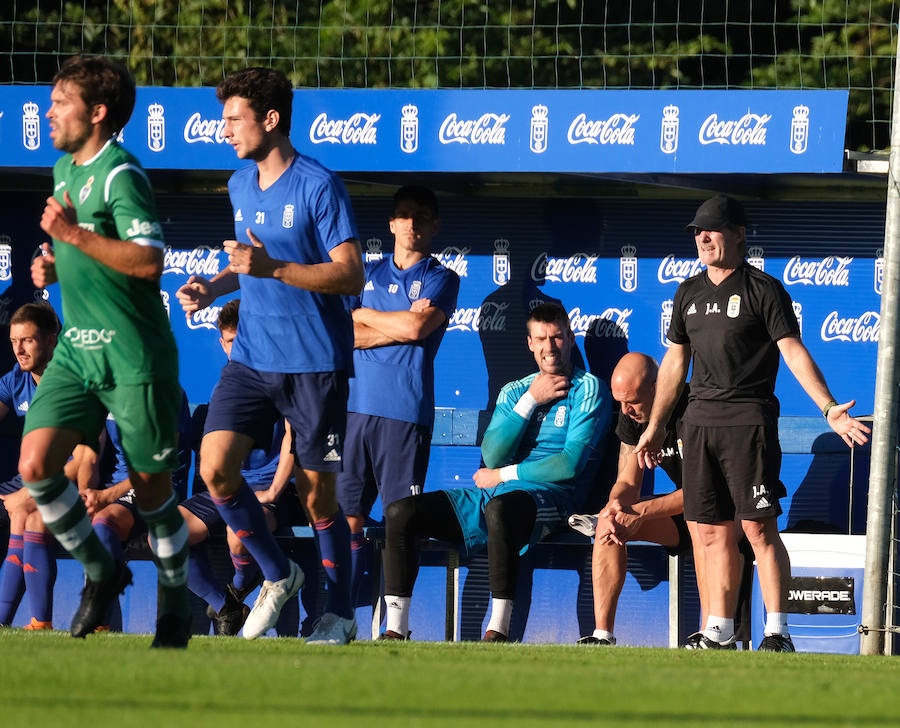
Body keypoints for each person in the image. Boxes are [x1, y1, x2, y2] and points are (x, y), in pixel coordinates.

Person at [175, 67, 364, 644]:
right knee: (213, 469)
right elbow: (248, 265)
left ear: (271, 119)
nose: (223, 129)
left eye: (233, 118)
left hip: (315, 366)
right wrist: (211, 286)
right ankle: (279, 574)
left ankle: (339, 613)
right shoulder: (238, 185)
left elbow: (350, 272)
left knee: (318, 496)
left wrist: (275, 268)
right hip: (252, 359)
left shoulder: (318, 185)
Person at [633, 195, 871, 651]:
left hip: (748, 423)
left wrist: (827, 407)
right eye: (697, 231)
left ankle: (777, 632)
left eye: (713, 229)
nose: (703, 238)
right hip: (698, 425)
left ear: (739, 234)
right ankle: (719, 631)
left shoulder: (764, 289)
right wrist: (657, 424)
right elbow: (674, 363)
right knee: (709, 530)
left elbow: (793, 350)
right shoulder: (688, 292)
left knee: (758, 529)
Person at [22, 55, 191, 647]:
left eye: (60, 102)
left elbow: (147, 261)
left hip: (133, 356)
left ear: (96, 113)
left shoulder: (122, 174)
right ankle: (101, 569)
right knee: (35, 467)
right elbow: (88, 253)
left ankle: (174, 604)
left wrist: (71, 237)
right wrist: (55, 263)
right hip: (77, 350)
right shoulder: (63, 169)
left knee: (151, 492)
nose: (48, 112)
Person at [381, 302, 613, 642]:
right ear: (530, 343)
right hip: (496, 495)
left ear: (571, 338)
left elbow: (567, 466)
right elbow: (492, 454)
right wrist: (531, 400)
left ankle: (498, 630)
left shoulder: (588, 388)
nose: (550, 347)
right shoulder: (516, 390)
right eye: (542, 338)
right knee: (400, 513)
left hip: (551, 500)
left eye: (558, 337)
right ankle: (395, 630)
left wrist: (503, 476)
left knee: (499, 510)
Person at [338, 185, 459, 606]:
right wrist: (394, 323)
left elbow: (416, 330)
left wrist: (365, 315)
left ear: (434, 226)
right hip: (354, 411)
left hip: (404, 413)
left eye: (421, 217)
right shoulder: (365, 274)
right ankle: (343, 611)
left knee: (399, 521)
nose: (411, 224)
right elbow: (342, 332)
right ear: (391, 224)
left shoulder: (441, 277)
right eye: (404, 216)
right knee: (347, 518)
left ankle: (393, 622)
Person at [180, 300, 304, 636]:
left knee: (238, 535)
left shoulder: (279, 377)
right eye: (231, 342)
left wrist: (275, 491)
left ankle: (237, 587)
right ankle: (227, 606)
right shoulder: (226, 384)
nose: (238, 349)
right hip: (226, 490)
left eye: (243, 340)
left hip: (273, 490)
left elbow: (293, 438)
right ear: (221, 343)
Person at [0, 303, 59, 629]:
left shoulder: (75, 381)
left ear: (51, 340)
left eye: (28, 341)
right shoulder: (14, 379)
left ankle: (38, 622)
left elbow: (81, 460)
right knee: (21, 506)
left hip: (68, 480)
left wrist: (29, 491)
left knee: (25, 511)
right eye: (13, 341)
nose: (19, 349)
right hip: (27, 479)